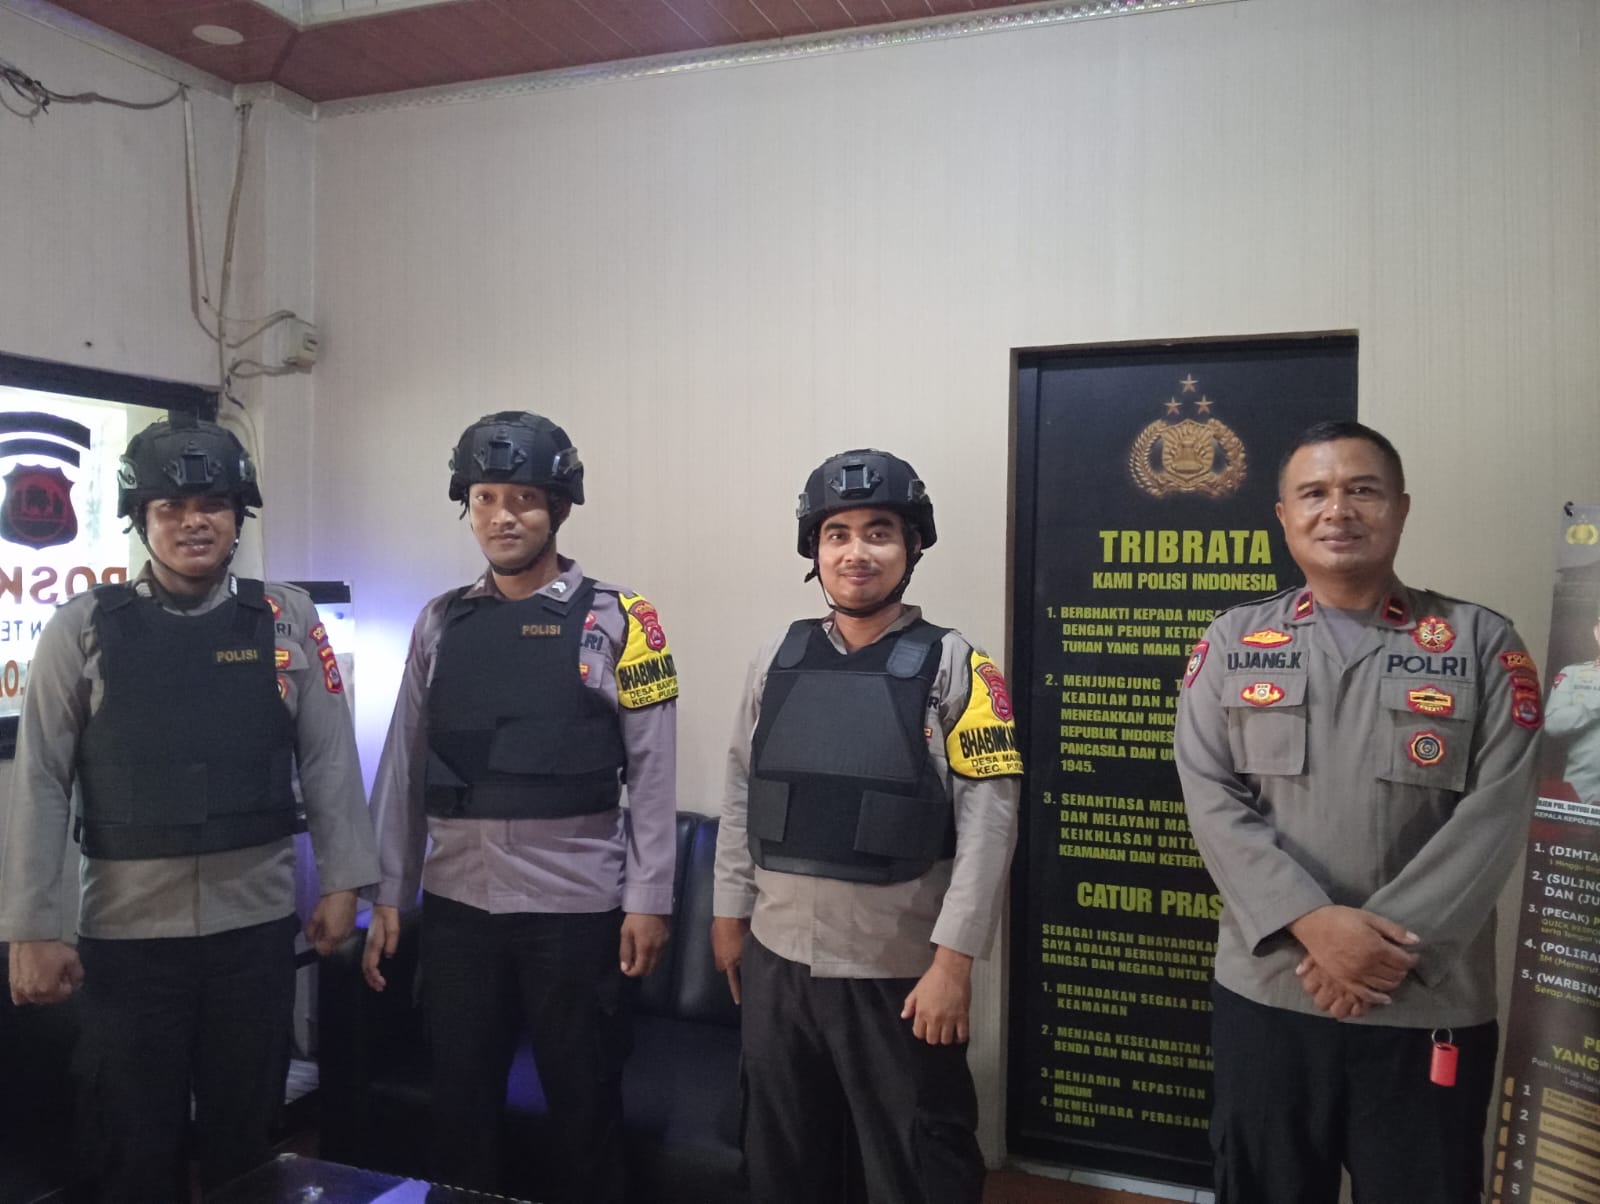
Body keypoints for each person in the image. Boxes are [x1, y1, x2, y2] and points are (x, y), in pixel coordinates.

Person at [0, 413, 378, 1203]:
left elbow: (329, 756)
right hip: (128, 943)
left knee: (248, 1145)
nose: (193, 522)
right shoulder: (83, 628)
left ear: (239, 516)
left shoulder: (287, 619)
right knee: (133, 1150)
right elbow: (40, 780)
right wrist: (31, 927)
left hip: (254, 934)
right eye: (170, 507)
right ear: (141, 520)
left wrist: (346, 881)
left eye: (213, 504)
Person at [1174, 419, 1543, 1204]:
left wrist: (1379, 953)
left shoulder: (1481, 643)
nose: (1337, 510)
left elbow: (1498, 811)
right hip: (1271, 992)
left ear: (1400, 508)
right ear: (1285, 516)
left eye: (1362, 490)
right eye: (1314, 493)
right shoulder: (1233, 640)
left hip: (1424, 1000)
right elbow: (1209, 794)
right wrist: (1313, 923)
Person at [361, 411, 676, 1202]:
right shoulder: (439, 621)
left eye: (524, 498)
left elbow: (653, 770)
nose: (502, 516)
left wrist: (649, 899)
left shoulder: (625, 619)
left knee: (585, 1114)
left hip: (575, 909)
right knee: (458, 1115)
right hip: (460, 908)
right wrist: (389, 891)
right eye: (485, 498)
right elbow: (404, 763)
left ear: (559, 506)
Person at [711, 448, 1021, 1204]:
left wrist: (954, 965)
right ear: (814, 551)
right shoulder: (776, 656)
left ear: (911, 546)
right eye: (837, 534)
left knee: (914, 1166)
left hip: (897, 973)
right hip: (778, 962)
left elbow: (991, 826)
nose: (856, 552)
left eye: (879, 532)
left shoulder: (960, 666)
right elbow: (742, 787)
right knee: (781, 1164)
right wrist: (728, 915)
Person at [1546, 608, 1600, 804]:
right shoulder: (1573, 674)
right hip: (1582, 792)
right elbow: (1552, 724)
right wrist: (1595, 704)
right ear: (1597, 632)